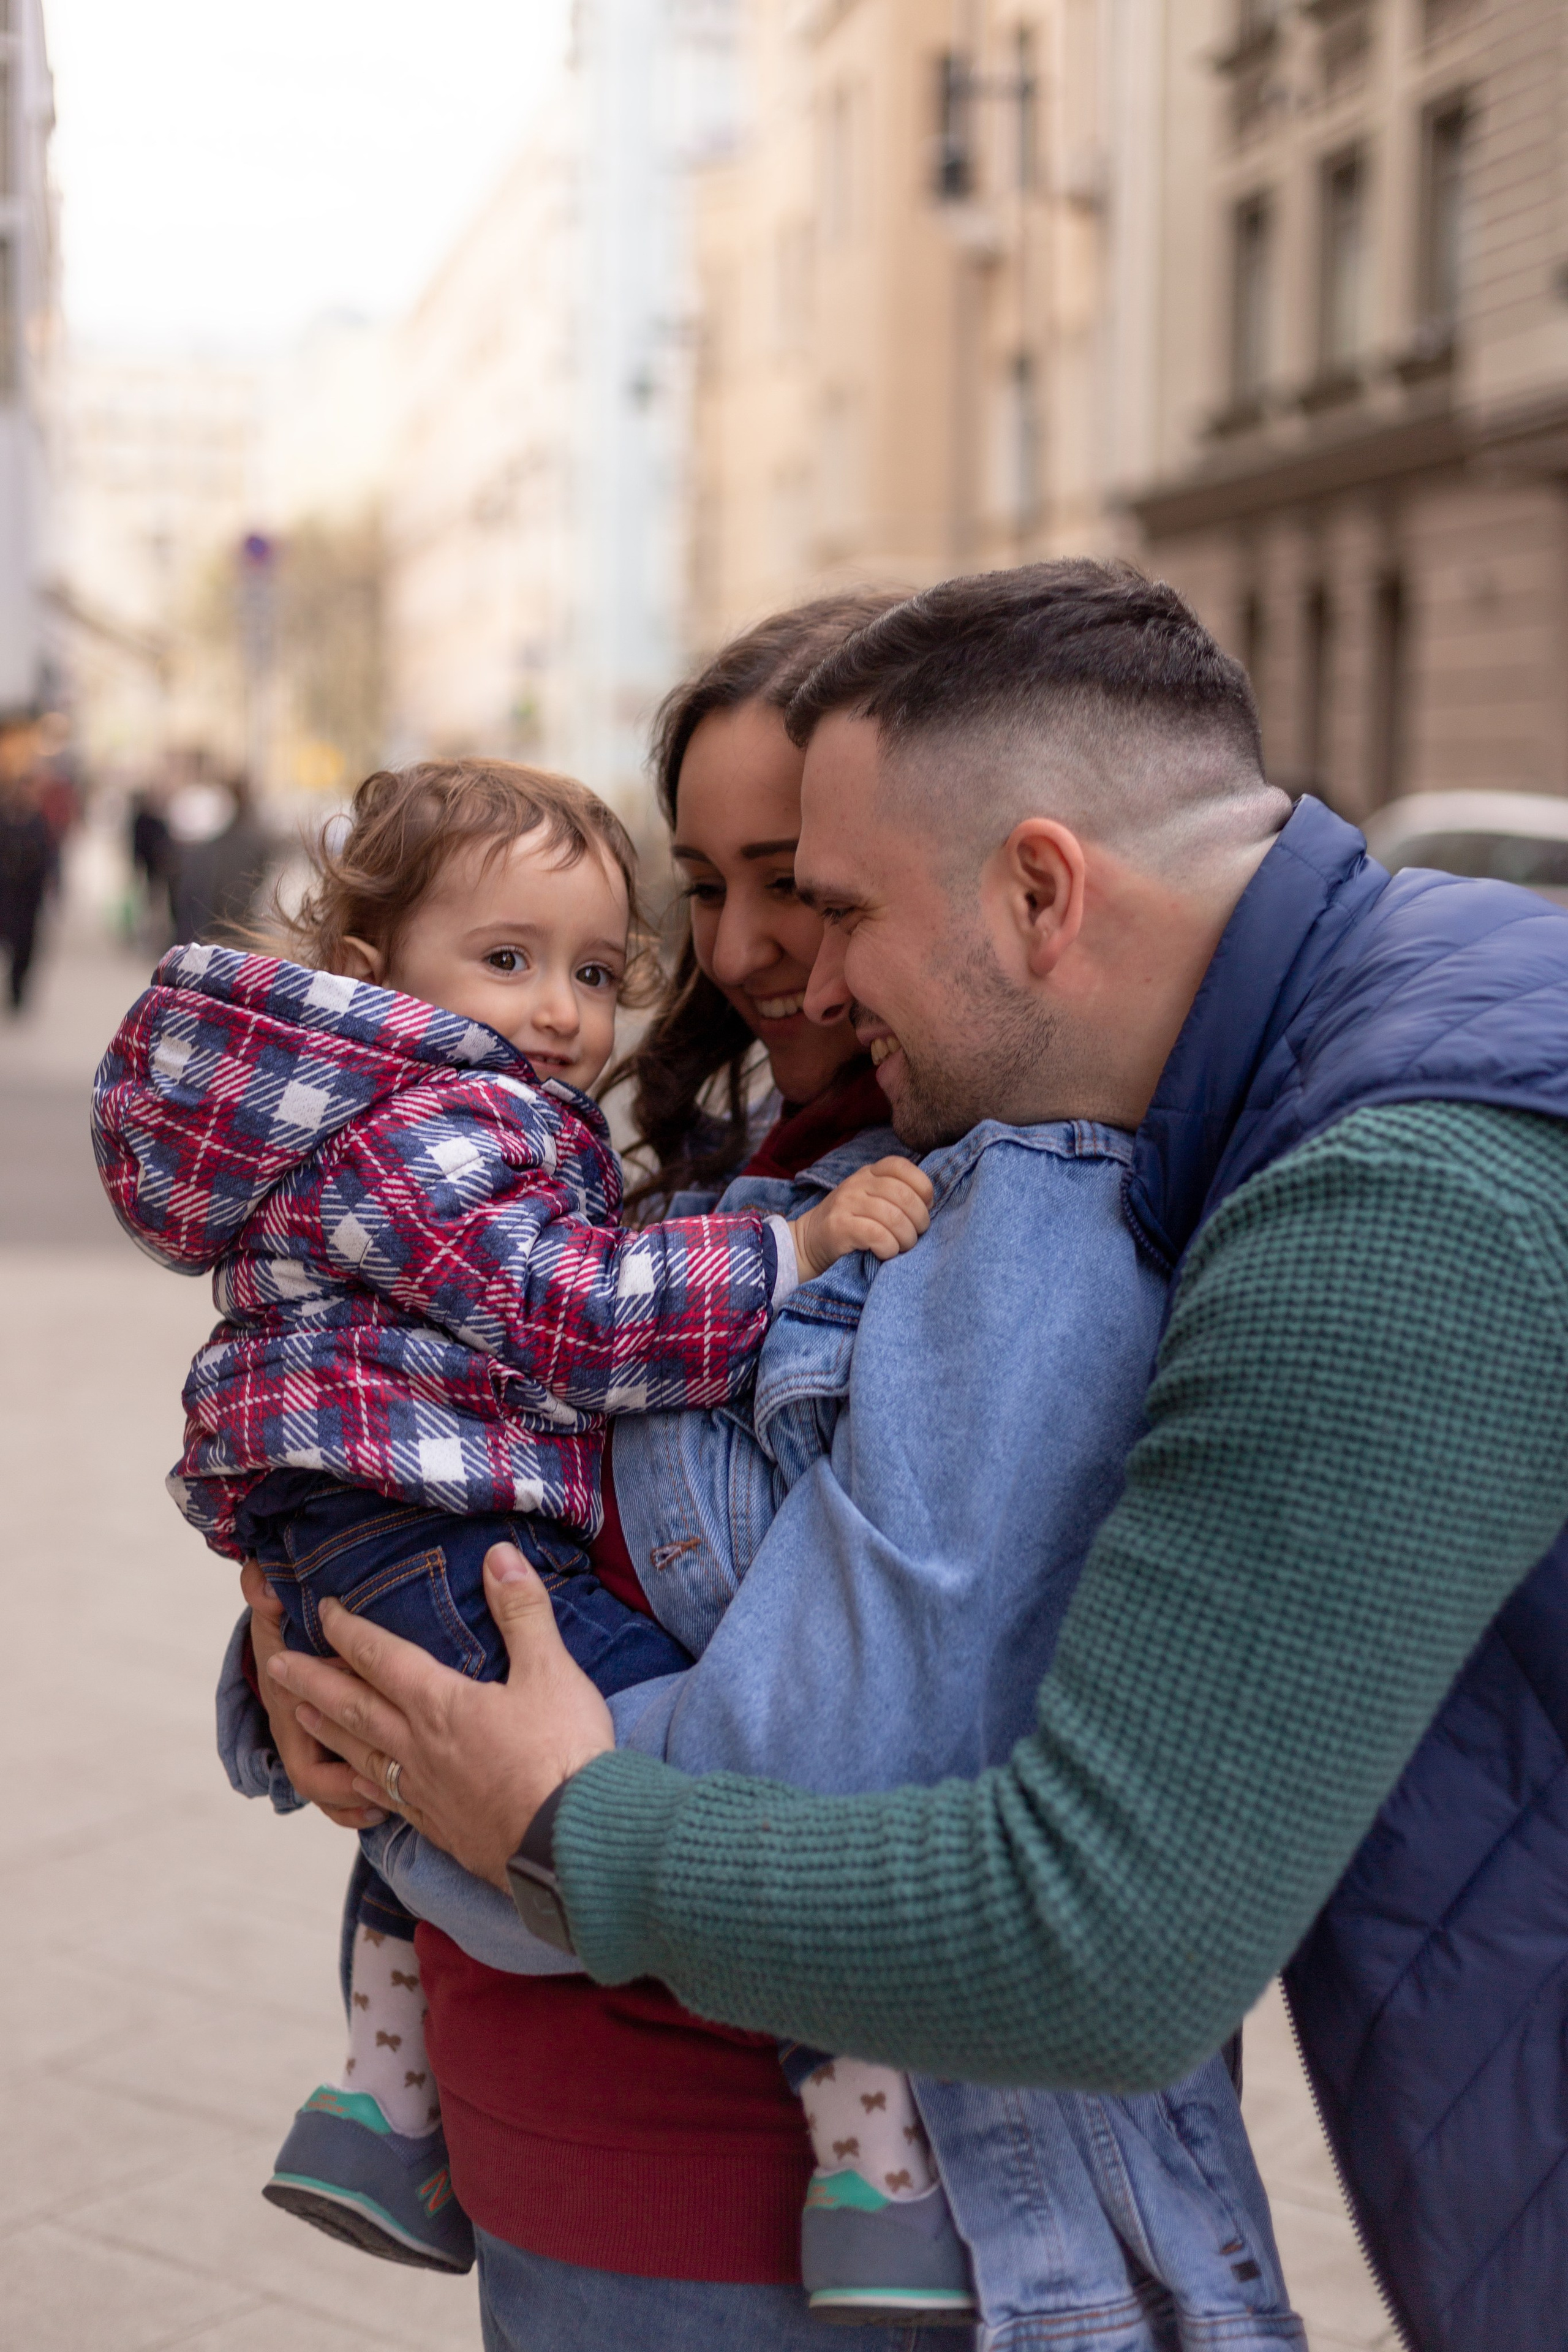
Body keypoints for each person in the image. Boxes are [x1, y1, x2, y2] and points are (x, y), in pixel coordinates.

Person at [269, 562, 1568, 2352]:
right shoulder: (1300, 1066)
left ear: (1038, 888)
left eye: (834, 902)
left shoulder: (1377, 1191)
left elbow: (1102, 1933)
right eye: (715, 886)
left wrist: (546, 1820)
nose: (776, 965)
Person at [92, 755, 929, 2274]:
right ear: (373, 971)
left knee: (428, 1779)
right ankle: (869, 2149)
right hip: (427, 1532)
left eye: (595, 973)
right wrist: (793, 1252)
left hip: (382, 1527)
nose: (559, 1010)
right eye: (507, 958)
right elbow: (570, 1316)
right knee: (698, 1806)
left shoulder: (417, 1109)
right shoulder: (437, 1120)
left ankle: (379, 2107)